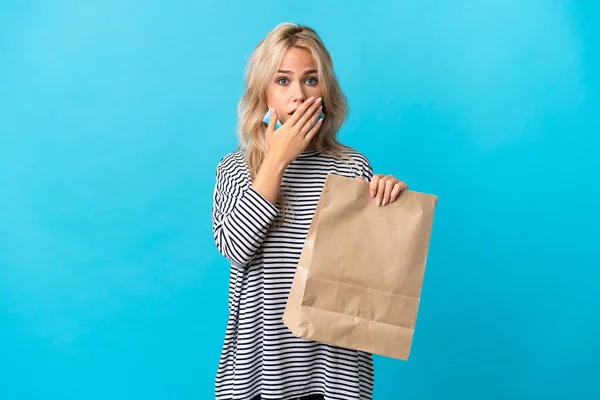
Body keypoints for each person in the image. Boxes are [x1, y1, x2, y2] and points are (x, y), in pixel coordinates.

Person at [211, 22, 408, 400]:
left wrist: (389, 205)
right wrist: (276, 161)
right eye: (282, 81)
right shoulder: (234, 168)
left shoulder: (352, 166)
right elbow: (236, 249)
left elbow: (370, 277)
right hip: (260, 368)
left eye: (311, 80)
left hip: (336, 370)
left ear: (325, 90)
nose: (298, 94)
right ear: (263, 91)